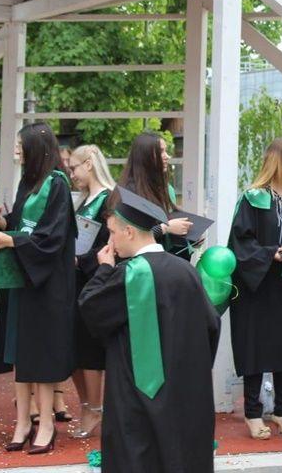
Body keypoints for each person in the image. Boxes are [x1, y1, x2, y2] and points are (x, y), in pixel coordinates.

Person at [78, 187, 220, 472]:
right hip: (186, 393)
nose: (110, 241)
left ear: (129, 232)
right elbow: (212, 325)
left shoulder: (129, 275)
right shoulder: (185, 271)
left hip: (136, 400)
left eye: (112, 232)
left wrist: (104, 269)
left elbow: (90, 309)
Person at [0, 122, 76, 455]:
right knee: (21, 351)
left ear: (35, 147)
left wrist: (13, 240)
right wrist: (3, 224)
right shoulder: (28, 181)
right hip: (22, 280)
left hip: (47, 283)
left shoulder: (57, 185)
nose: (16, 149)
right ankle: (22, 422)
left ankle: (46, 425)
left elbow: (52, 237)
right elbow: (22, 225)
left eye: (20, 144)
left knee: (41, 355)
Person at [228, 137, 282, 440]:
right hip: (259, 289)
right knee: (256, 349)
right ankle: (253, 412)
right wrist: (270, 254)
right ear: (278, 160)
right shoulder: (253, 198)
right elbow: (241, 243)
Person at [67, 144, 115, 438]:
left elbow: (109, 241)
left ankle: (94, 407)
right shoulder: (84, 200)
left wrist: (82, 260)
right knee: (74, 347)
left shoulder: (108, 199)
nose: (71, 174)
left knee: (89, 348)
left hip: (95, 278)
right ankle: (88, 405)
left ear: (89, 163)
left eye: (74, 167)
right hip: (77, 279)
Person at [115, 132, 195, 260]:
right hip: (140, 265)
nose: (167, 156)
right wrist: (165, 228)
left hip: (164, 261)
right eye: (161, 151)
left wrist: (190, 238)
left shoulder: (165, 188)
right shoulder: (128, 193)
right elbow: (129, 237)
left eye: (166, 151)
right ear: (145, 156)